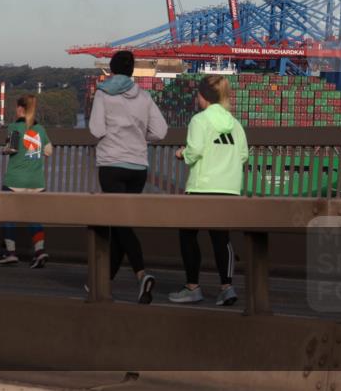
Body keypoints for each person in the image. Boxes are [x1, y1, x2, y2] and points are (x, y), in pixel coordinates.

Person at [88, 50, 166, 304]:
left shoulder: (103, 94)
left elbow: (96, 129)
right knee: (120, 223)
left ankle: (141, 274)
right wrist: (140, 137)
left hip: (111, 164)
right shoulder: (144, 96)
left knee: (119, 223)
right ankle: (102, 281)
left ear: (111, 69)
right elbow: (161, 131)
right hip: (138, 167)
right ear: (132, 71)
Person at [169, 75, 248, 306]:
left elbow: (194, 150)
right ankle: (227, 288)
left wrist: (181, 153)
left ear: (203, 97)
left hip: (202, 186)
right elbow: (243, 155)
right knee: (221, 238)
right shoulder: (235, 124)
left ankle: (192, 287)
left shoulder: (199, 120)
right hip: (229, 188)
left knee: (187, 235)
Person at [0, 94, 52, 268]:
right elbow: (49, 151)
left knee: (8, 216)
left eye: (17, 107)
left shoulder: (14, 127)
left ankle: (11, 253)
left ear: (20, 109)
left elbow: (11, 148)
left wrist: (3, 150)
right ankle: (39, 251)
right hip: (37, 182)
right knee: (35, 217)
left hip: (16, 181)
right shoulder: (40, 129)